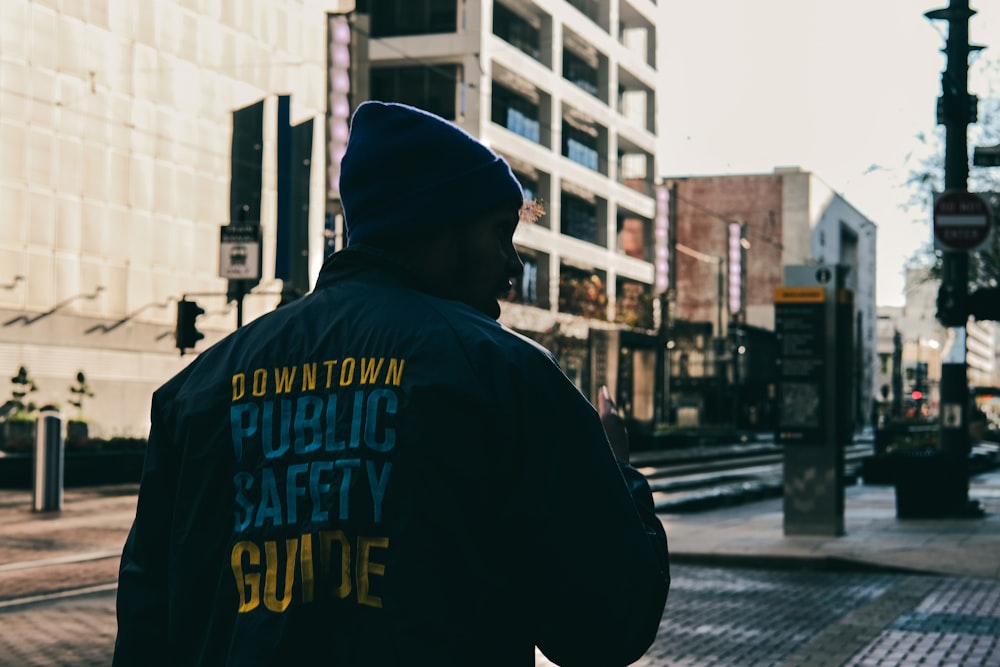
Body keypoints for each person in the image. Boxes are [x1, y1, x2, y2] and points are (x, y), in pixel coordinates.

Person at [114, 101, 669, 666]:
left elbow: (144, 626)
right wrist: (617, 473)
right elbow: (607, 625)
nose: (512, 266)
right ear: (438, 223)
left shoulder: (197, 389)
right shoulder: (506, 375)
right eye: (502, 234)